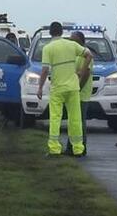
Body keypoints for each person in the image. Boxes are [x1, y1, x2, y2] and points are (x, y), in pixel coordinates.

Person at [37, 22, 93, 157]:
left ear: (50, 32)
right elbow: (89, 55)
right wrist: (82, 70)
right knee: (75, 118)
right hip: (73, 87)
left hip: (58, 88)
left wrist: (40, 87)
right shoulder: (72, 45)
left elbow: (45, 70)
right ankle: (78, 148)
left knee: (55, 118)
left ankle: (54, 148)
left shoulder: (48, 48)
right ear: (62, 32)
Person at [65, 31, 93, 154]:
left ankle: (80, 148)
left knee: (79, 122)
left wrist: (78, 89)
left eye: (73, 40)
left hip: (80, 94)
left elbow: (85, 74)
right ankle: (71, 147)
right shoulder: (76, 54)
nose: (70, 41)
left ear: (80, 41)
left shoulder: (85, 54)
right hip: (73, 92)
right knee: (73, 121)